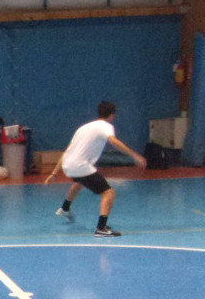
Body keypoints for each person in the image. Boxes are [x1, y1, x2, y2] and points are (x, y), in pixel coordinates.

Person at [44, 101, 147, 237]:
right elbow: (113, 141)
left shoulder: (83, 128)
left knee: (80, 181)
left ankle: (65, 208)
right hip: (80, 165)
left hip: (68, 165)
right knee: (109, 192)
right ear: (111, 115)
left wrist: (54, 173)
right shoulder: (106, 126)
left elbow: (67, 151)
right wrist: (134, 155)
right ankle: (101, 228)